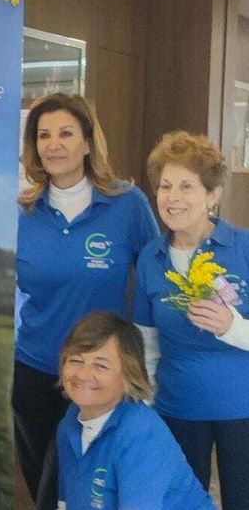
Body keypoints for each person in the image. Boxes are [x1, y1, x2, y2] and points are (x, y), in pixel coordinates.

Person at [13, 93, 159, 509]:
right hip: (36, 371)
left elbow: (156, 278)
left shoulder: (127, 205)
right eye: (43, 136)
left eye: (65, 133)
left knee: (99, 486)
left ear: (89, 142)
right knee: (45, 486)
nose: (53, 144)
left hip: (103, 374)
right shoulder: (22, 212)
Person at [134, 131, 249, 510]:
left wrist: (231, 327)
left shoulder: (243, 247)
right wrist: (146, 405)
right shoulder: (151, 257)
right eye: (165, 186)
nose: (172, 197)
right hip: (177, 408)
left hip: (242, 411)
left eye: (186, 186)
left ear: (212, 195)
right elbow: (147, 343)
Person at [56, 311, 215, 509]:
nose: (83, 374)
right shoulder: (70, 423)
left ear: (129, 376)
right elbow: (67, 502)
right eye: (75, 361)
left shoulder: (140, 431)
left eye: (101, 366)